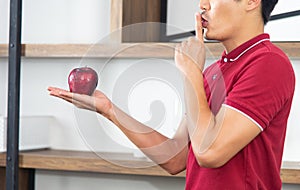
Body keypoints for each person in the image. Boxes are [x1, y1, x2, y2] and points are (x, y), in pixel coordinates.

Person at [48, 0, 295, 189]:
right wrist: (108, 109)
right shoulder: (213, 70)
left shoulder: (268, 64)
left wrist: (190, 72)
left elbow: (210, 152)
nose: (202, 5)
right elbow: (176, 157)